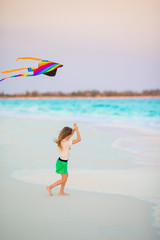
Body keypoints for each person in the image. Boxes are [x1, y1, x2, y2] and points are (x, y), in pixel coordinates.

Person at [46, 123, 81, 196]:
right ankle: (50, 187)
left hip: (62, 162)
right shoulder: (66, 143)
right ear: (67, 135)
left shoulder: (62, 140)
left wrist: (74, 129)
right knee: (64, 179)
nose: (70, 136)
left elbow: (70, 135)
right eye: (70, 135)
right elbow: (79, 139)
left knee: (65, 177)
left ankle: (61, 191)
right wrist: (77, 130)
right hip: (62, 163)